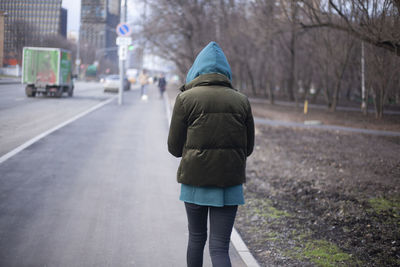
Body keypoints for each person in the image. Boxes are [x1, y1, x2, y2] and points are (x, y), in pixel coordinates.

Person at [167, 41, 255, 267]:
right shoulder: (241, 101)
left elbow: (174, 149)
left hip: (195, 181)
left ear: (196, 69)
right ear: (226, 71)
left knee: (196, 239)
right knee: (220, 248)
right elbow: (248, 148)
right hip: (229, 185)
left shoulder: (186, 99)